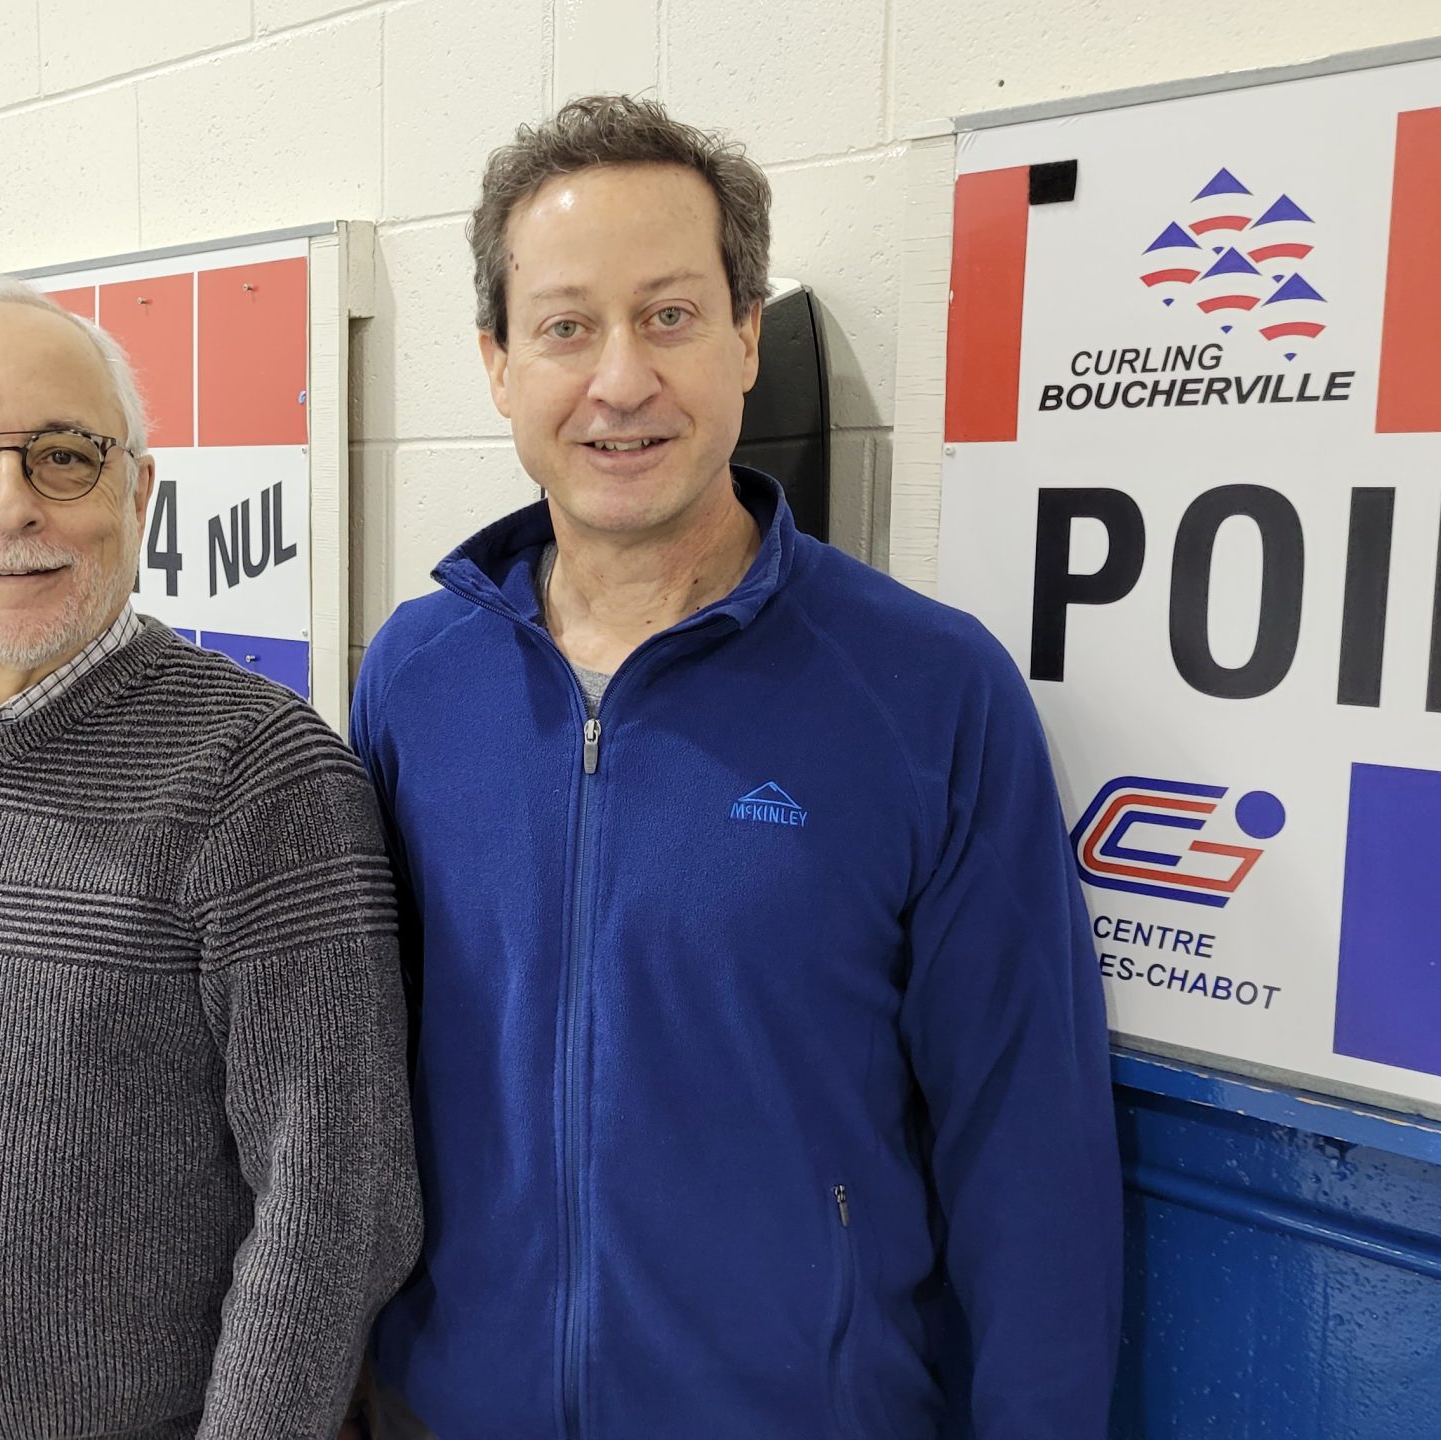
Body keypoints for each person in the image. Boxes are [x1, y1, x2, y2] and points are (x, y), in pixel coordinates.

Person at [352, 96, 1122, 1438]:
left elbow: (1028, 1148)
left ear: (747, 335)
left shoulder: (930, 692)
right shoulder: (414, 677)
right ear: (497, 362)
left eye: (669, 315)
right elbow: (350, 1079)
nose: (620, 381)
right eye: (566, 327)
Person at [0, 277, 420, 1440]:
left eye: (66, 458)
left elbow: (335, 1203)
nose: (11, 507)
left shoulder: (264, 779)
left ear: (140, 491)